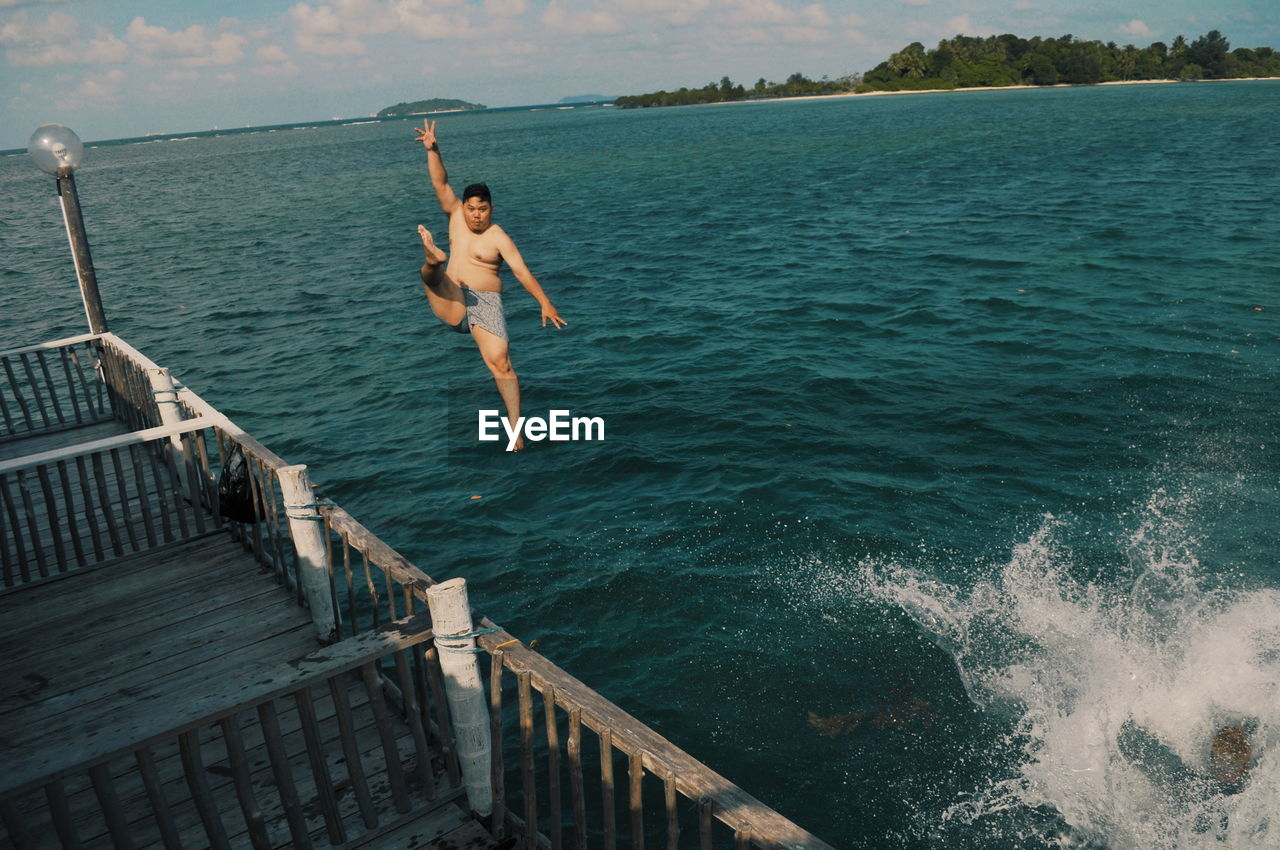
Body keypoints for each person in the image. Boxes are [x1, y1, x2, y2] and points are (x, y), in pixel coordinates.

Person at [413, 119, 566, 452]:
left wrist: (544, 301)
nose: (476, 216)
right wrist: (433, 149)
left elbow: (522, 271)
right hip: (452, 295)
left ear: (491, 209)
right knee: (432, 274)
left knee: (502, 365)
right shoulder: (454, 215)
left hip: (486, 303)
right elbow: (441, 182)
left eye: (482, 210)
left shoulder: (498, 237)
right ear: (464, 208)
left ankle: (516, 434)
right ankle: (433, 258)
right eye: (471, 209)